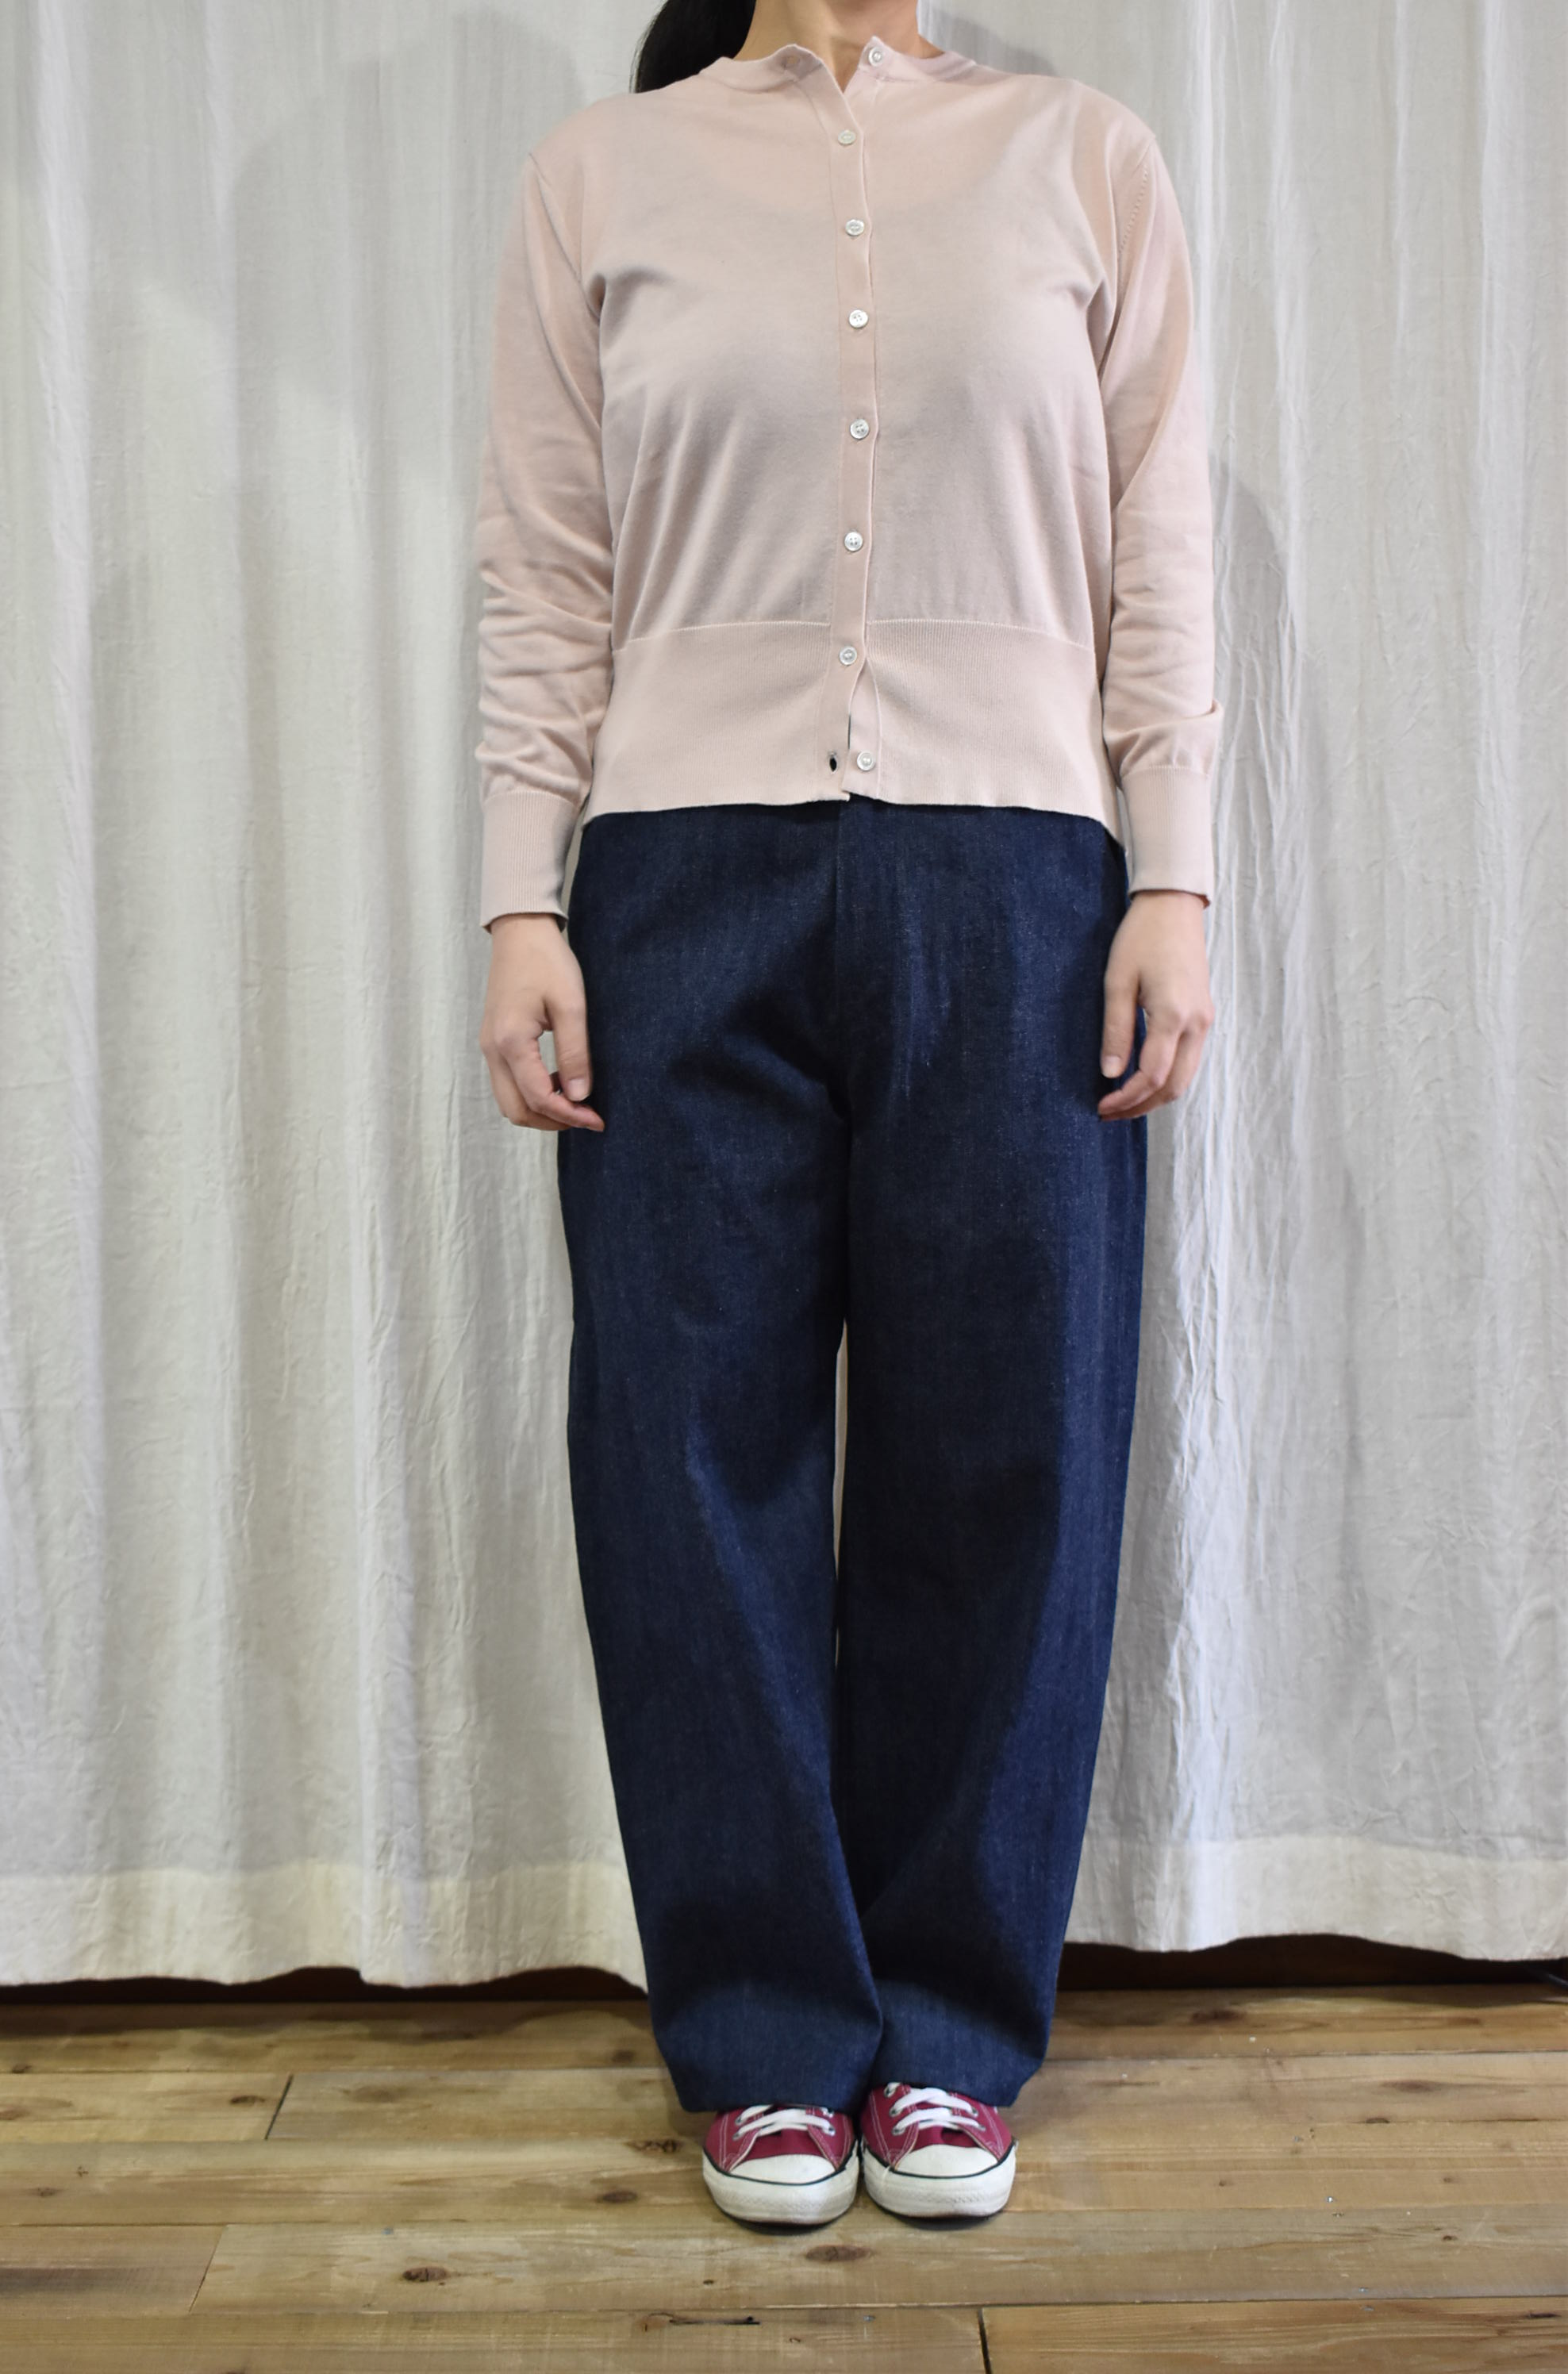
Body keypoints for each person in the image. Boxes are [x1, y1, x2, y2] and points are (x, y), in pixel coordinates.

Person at [474, 0, 1221, 2230]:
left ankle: (953, 2027)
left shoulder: (1085, 160)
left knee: (1011, 1443)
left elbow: (1160, 549)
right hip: (678, 882)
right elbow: (550, 570)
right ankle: (766, 2031)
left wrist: (1175, 872)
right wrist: (521, 898)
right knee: (683, 1452)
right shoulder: (605, 178)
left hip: (1017, 876)